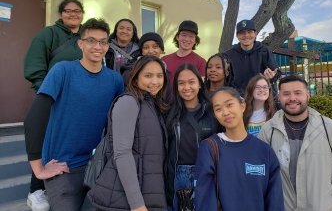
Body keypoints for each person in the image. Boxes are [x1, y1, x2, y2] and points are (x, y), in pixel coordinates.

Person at [24, 18, 124, 211]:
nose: (98, 46)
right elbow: (34, 118)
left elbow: (118, 124)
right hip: (63, 168)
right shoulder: (63, 71)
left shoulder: (114, 80)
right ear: (80, 43)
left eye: (103, 42)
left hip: (97, 166)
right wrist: (38, 169)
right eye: (91, 40)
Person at [258, 75, 332, 211]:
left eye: (298, 93)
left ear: (308, 96)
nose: (292, 98)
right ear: (279, 97)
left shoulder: (331, 128)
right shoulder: (268, 131)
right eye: (286, 94)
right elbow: (260, 173)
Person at [23, 0, 84, 211]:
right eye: (68, 11)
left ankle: (59, 183)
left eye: (77, 11)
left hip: (79, 101)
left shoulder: (87, 37)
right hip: (53, 98)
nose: (73, 14)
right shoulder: (47, 35)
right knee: (45, 139)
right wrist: (47, 91)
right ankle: (36, 190)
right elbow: (34, 66)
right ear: (61, 14)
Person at [88, 55, 168, 210]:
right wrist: (137, 204)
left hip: (148, 194)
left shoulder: (152, 104)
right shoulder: (128, 102)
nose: (155, 81)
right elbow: (122, 154)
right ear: (136, 78)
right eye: (148, 76)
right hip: (124, 200)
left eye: (159, 76)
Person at [195, 87, 284, 211]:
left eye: (229, 105)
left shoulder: (264, 151)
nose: (225, 112)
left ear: (242, 106)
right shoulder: (209, 148)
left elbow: (275, 201)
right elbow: (205, 200)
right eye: (218, 109)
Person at [166, 63, 218, 211]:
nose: (186, 87)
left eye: (191, 82)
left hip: (204, 174)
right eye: (181, 83)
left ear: (200, 84)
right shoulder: (169, 113)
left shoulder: (212, 112)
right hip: (177, 175)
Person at [223, 19, 280, 97]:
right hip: (238, 98)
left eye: (249, 32)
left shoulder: (265, 51)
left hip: (261, 97)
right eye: (242, 33)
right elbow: (226, 80)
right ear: (237, 36)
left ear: (255, 33)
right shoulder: (228, 55)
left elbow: (276, 73)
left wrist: (272, 76)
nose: (246, 35)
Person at [162, 20, 206, 89]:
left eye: (191, 36)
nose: (187, 39)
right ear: (177, 37)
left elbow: (201, 89)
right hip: (164, 100)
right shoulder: (164, 60)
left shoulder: (201, 63)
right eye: (184, 35)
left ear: (195, 40)